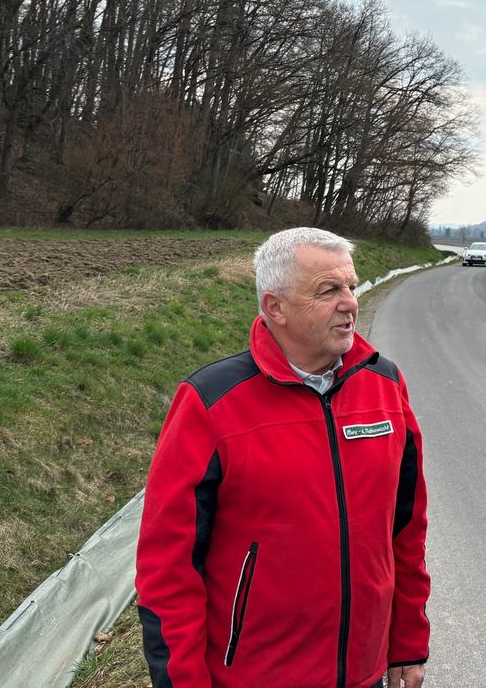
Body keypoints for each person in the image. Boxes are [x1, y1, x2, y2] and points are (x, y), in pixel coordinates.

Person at [135, 228, 430, 688]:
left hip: (364, 674)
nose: (350, 302)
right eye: (328, 290)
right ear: (275, 308)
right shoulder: (210, 402)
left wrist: (407, 641)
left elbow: (406, 531)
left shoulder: (386, 386)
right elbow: (168, 568)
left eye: (351, 286)